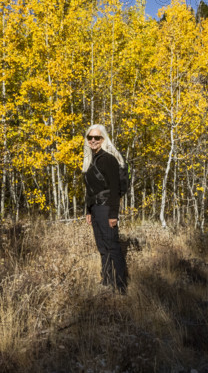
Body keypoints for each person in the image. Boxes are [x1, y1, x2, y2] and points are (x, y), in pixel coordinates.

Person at [83, 124, 127, 294]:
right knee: (102, 247)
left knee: (113, 246)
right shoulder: (91, 159)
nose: (93, 140)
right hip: (95, 209)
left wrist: (113, 215)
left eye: (97, 138)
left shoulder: (108, 159)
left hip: (106, 207)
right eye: (90, 138)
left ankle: (121, 287)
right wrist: (88, 210)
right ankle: (107, 282)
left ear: (103, 139)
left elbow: (115, 189)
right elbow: (91, 189)